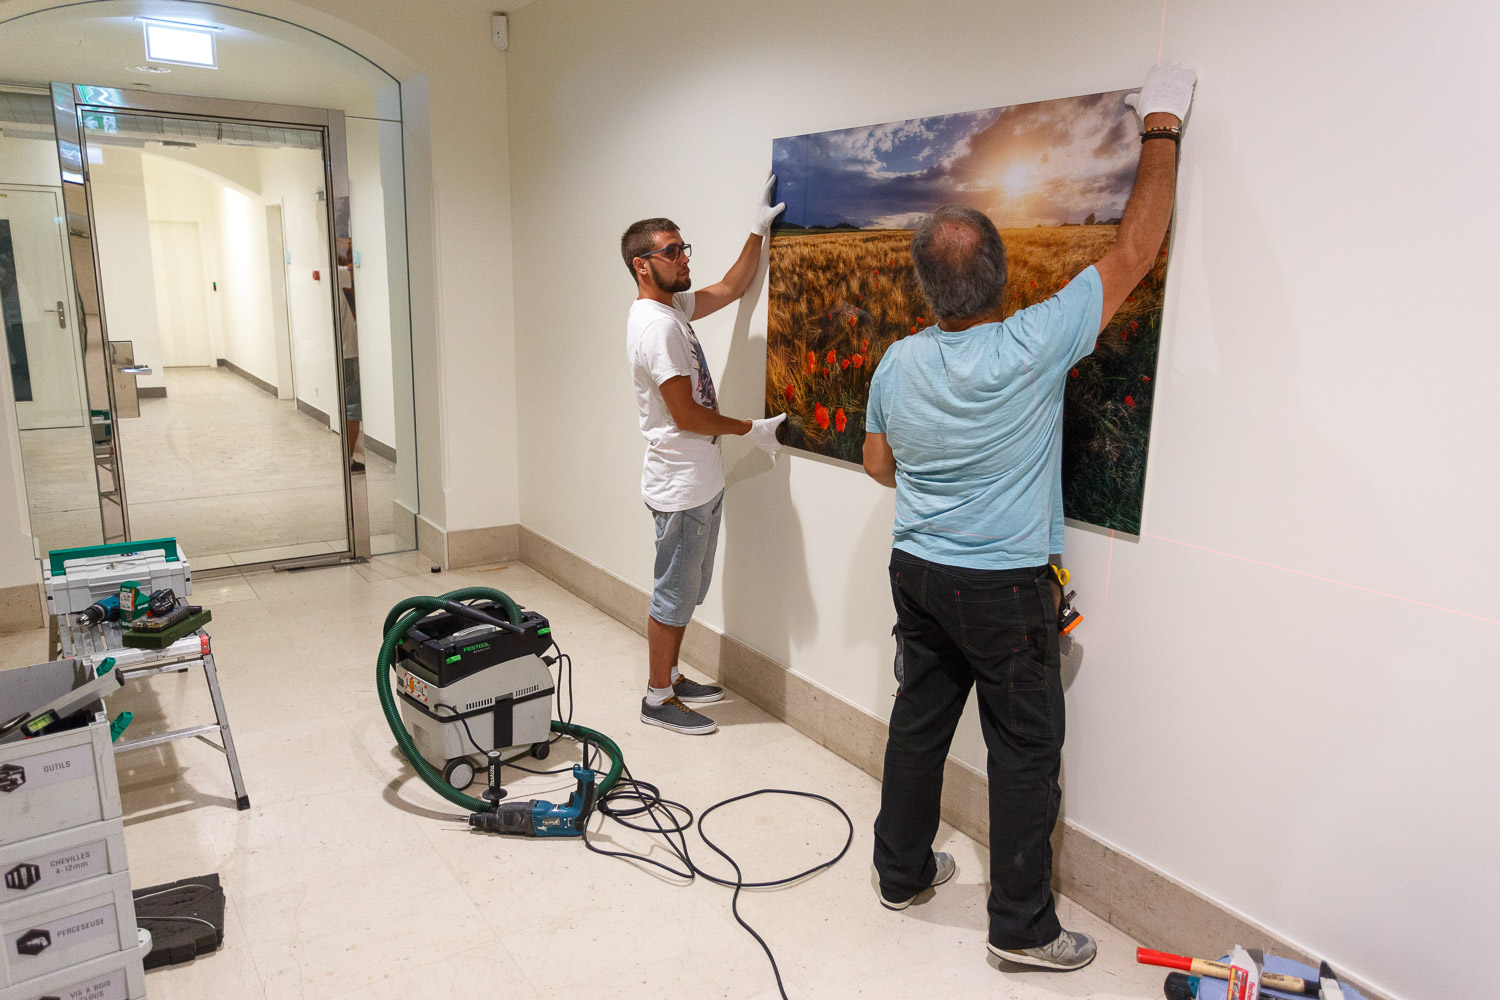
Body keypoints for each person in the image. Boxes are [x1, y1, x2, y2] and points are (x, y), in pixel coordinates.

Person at [861, 63, 1196, 971]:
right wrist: (1161, 122)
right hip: (1004, 590)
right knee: (1022, 750)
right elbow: (1132, 251)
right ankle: (1022, 930)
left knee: (920, 722)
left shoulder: (896, 364)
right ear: (1004, 277)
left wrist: (942, 487)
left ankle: (899, 872)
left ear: (926, 287)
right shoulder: (1034, 341)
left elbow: (878, 463)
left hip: (919, 574)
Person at [622, 177, 787, 735]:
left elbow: (733, 287)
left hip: (700, 479)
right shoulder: (656, 329)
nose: (682, 258)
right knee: (674, 590)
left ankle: (670, 676)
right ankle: (657, 696)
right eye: (672, 251)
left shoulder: (673, 311)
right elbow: (687, 415)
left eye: (682, 247)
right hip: (681, 483)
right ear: (643, 265)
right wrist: (749, 428)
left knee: (687, 588)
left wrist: (756, 228)